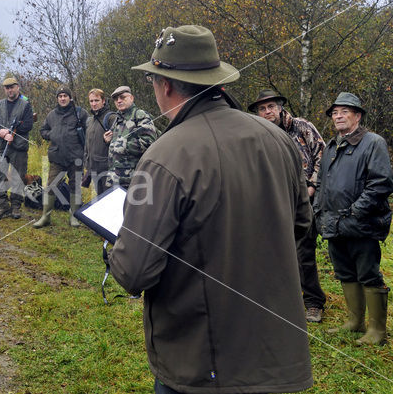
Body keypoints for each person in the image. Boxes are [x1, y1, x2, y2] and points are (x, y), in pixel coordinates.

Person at [109, 25, 313, 393]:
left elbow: (134, 271)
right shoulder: (278, 139)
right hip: (276, 355)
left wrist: (116, 248)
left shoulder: (165, 155)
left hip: (202, 363)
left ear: (165, 85)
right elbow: (301, 225)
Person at [314, 92, 393, 345]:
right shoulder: (331, 145)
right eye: (335, 112)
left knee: (368, 274)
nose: (338, 116)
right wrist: (318, 211)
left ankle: (377, 331)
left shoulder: (373, 142)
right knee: (345, 273)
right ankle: (355, 322)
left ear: (357, 116)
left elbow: (381, 183)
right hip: (333, 224)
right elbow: (322, 183)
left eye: (344, 111)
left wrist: (356, 211)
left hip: (362, 224)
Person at [249, 89, 327, 323]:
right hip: (273, 199)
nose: (267, 112)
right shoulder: (259, 134)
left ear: (280, 107)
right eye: (262, 108)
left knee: (304, 252)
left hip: (303, 197)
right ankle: (282, 300)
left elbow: (322, 156)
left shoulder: (302, 127)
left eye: (271, 106)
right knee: (275, 252)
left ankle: (313, 302)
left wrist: (311, 187)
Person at [34, 85, 88, 228]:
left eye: (65, 96)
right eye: (60, 96)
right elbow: (42, 130)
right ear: (57, 98)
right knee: (51, 187)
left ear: (70, 98)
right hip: (57, 157)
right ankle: (45, 217)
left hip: (75, 157)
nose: (63, 98)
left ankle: (74, 217)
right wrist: (51, 135)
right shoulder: (52, 115)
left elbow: (89, 132)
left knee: (75, 187)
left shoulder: (80, 113)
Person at [0, 77, 34, 220]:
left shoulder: (26, 105)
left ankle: (15, 206)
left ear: (17, 87)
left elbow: (28, 124)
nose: (10, 90)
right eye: (7, 88)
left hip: (19, 148)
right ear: (4, 89)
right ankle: (3, 206)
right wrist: (1, 132)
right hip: (1, 147)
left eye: (12, 87)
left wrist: (13, 132)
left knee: (18, 177)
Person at [103, 85, 158, 189]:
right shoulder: (117, 118)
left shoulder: (139, 115)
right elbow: (117, 146)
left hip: (133, 181)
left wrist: (124, 144)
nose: (119, 101)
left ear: (131, 98)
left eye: (122, 97)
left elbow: (149, 142)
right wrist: (108, 141)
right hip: (115, 179)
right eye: (116, 99)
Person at [83, 88, 115, 195]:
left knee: (109, 200)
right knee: (99, 198)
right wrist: (87, 163)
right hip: (94, 168)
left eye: (96, 100)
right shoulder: (90, 120)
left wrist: (109, 140)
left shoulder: (111, 118)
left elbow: (119, 142)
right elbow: (88, 144)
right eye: (91, 101)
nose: (94, 104)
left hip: (108, 169)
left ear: (103, 101)